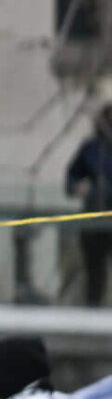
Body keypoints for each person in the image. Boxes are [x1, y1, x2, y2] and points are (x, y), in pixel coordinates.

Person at [67, 108, 112, 307]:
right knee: (95, 272)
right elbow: (71, 178)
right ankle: (93, 309)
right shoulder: (92, 149)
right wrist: (79, 186)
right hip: (94, 220)